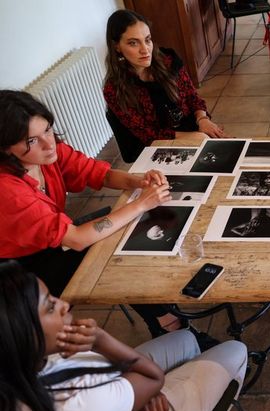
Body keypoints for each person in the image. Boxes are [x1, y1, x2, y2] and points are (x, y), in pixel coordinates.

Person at [0, 90, 212, 346]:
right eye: (31, 140)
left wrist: (139, 181)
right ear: (5, 147)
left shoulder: (48, 153)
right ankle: (169, 324)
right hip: (19, 271)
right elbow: (77, 239)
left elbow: (99, 173)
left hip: (54, 239)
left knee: (124, 237)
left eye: (47, 129)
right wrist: (141, 203)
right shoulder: (8, 190)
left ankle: (167, 320)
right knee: (119, 256)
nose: (48, 143)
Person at [0, 260, 247, 411]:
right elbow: (153, 378)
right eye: (50, 306)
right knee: (237, 350)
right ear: (20, 334)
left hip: (117, 391)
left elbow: (140, 381)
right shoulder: (70, 410)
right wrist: (100, 340)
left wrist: (143, 394)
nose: (64, 304)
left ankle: (191, 397)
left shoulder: (26, 362)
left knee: (185, 339)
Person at [103, 10, 226, 156]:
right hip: (155, 146)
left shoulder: (168, 60)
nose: (145, 50)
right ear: (116, 46)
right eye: (133, 43)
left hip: (192, 130)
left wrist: (202, 119)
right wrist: (195, 137)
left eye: (147, 40)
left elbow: (192, 97)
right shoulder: (113, 89)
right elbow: (148, 135)